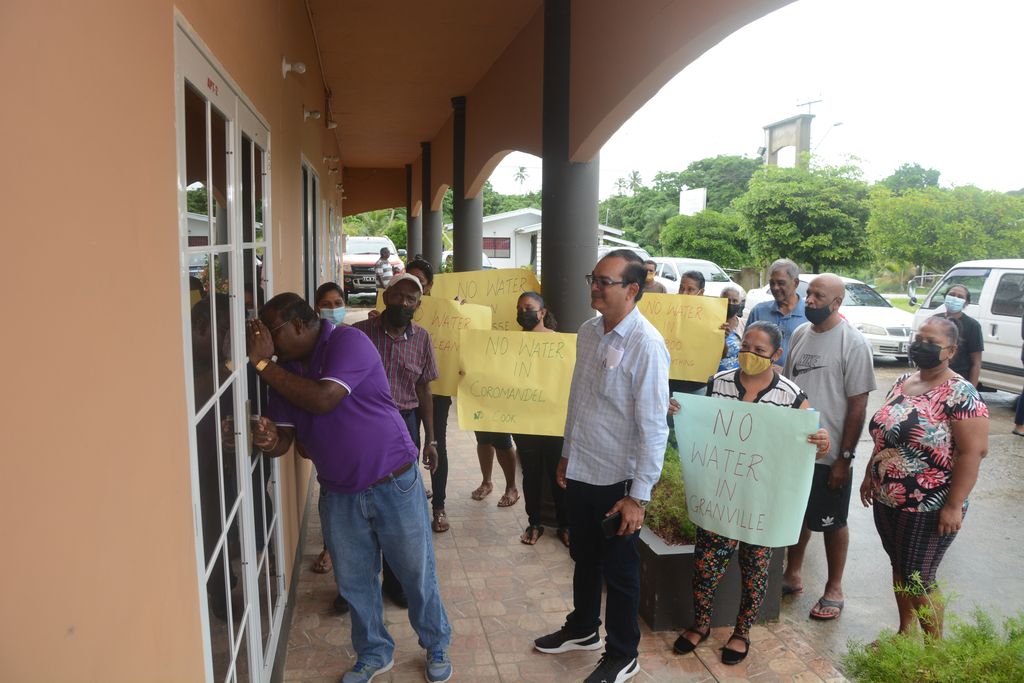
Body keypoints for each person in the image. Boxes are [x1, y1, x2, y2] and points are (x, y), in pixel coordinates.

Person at [245, 294, 452, 683]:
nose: (265, 344)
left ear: (298, 326)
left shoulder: (347, 342)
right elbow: (285, 443)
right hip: (339, 493)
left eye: (269, 333)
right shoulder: (286, 372)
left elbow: (324, 398)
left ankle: (435, 642)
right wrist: (267, 439)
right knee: (355, 582)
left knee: (415, 573)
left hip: (393, 480)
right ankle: (374, 652)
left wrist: (260, 363)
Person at [534, 249, 670, 683]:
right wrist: (568, 453)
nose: (595, 285)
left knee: (621, 569)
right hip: (584, 467)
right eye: (593, 277)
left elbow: (653, 427)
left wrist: (638, 496)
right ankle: (582, 628)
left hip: (620, 478)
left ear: (632, 290)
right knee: (584, 555)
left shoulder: (646, 345)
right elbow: (581, 398)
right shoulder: (590, 332)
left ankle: (623, 652)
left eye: (605, 281)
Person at [673, 321, 831, 664]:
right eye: (746, 346)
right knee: (705, 565)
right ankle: (700, 624)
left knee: (756, 569)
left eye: (759, 350)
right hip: (721, 495)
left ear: (776, 355)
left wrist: (820, 442)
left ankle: (741, 632)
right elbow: (703, 424)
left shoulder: (791, 395)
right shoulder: (719, 383)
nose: (749, 354)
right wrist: (681, 413)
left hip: (762, 499)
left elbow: (807, 441)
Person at [859, 317, 989, 638]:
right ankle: (905, 633)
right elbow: (884, 436)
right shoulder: (904, 380)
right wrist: (868, 475)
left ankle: (933, 655)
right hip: (888, 498)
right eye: (918, 338)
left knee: (919, 576)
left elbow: (973, 453)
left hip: (930, 504)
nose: (920, 346)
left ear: (951, 350)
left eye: (930, 342)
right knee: (900, 568)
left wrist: (954, 505)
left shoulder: (962, 393)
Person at [781, 274, 876, 622]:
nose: (810, 300)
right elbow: (790, 388)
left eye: (819, 296)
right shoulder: (800, 334)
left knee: (833, 521)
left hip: (831, 454)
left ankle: (834, 587)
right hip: (796, 449)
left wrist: (844, 460)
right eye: (809, 294)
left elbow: (858, 406)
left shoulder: (852, 342)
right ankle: (792, 573)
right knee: (797, 515)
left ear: (837, 303)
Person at [353, 274, 440, 608]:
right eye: (399, 296)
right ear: (386, 296)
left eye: (412, 300)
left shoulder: (422, 339)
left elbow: (424, 389)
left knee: (397, 508)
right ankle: (358, 586)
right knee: (359, 504)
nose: (405, 303)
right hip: (361, 427)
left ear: (419, 306)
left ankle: (395, 581)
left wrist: (431, 440)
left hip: (403, 426)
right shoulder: (359, 335)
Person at [512, 292, 569, 547]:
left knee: (559, 475)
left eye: (529, 307)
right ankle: (534, 522)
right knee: (531, 475)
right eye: (520, 308)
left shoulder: (562, 344)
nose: (524, 312)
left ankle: (565, 525)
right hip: (525, 422)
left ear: (543, 312)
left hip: (555, 422)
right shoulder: (509, 344)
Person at [405, 259, 452, 532]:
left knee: (436, 444)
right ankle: (411, 500)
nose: (414, 288)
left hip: (437, 391)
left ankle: (439, 507)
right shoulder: (397, 310)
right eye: (408, 281)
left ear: (430, 286)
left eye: (420, 283)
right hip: (404, 393)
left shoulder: (447, 312)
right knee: (407, 444)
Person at [747, 259, 807, 366]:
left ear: (795, 283)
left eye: (781, 283)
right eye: (772, 283)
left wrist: (784, 372)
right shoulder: (759, 312)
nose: (775, 288)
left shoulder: (809, 314)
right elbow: (746, 348)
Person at [935, 284, 983, 388]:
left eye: (960, 297)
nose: (955, 298)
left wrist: (971, 391)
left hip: (957, 383)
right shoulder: (934, 321)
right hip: (932, 377)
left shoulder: (973, 326)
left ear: (966, 303)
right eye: (951, 295)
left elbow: (976, 363)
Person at [718, 286, 744, 372]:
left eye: (735, 301)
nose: (731, 303)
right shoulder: (712, 323)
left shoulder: (744, 325)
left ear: (740, 303)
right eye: (727, 300)